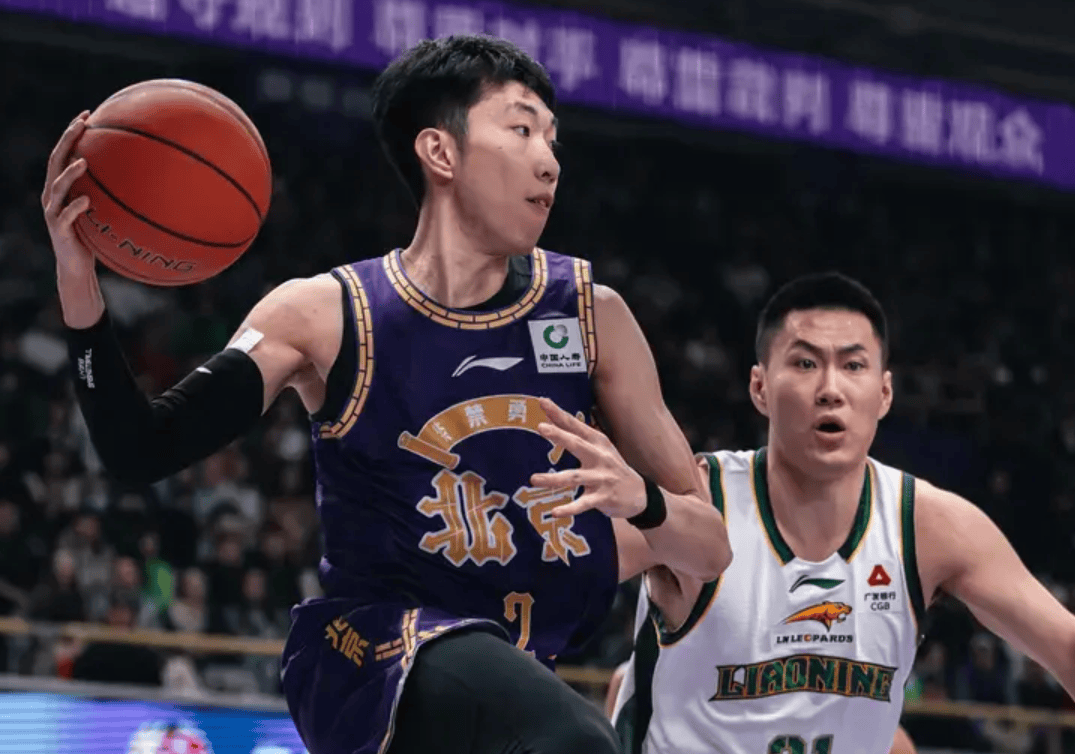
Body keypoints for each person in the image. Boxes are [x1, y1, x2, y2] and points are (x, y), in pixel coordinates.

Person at [42, 34, 730, 754]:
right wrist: (78, 281)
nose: (549, 160)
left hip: (507, 693)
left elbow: (710, 547)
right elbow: (141, 449)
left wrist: (642, 501)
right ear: (440, 152)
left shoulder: (592, 315)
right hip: (369, 655)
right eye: (521, 129)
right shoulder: (325, 313)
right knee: (576, 742)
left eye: (552, 139)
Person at [611, 272, 1075, 754]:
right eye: (805, 363)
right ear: (760, 387)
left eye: (853, 366)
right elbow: (567, 576)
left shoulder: (930, 527)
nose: (830, 389)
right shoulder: (696, 499)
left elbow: (1065, 644)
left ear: (885, 393)